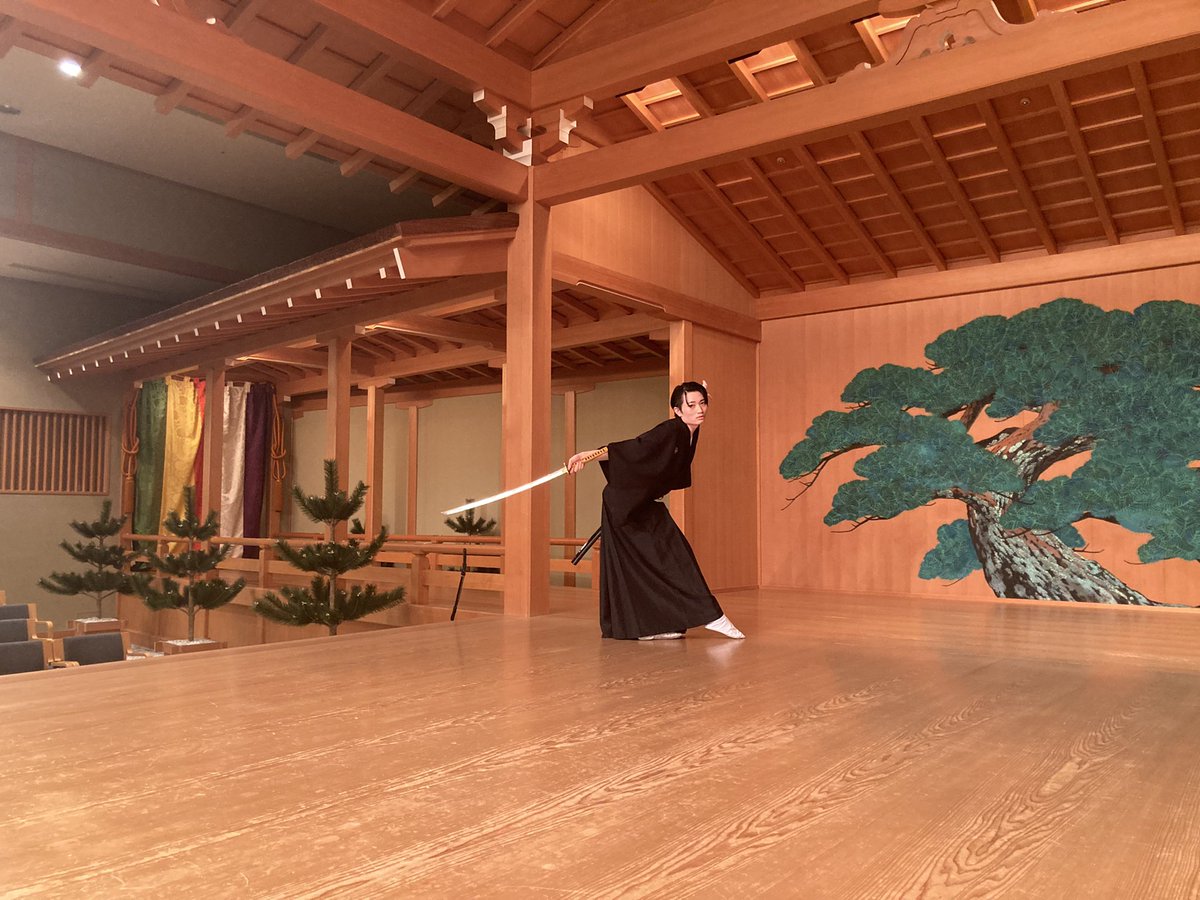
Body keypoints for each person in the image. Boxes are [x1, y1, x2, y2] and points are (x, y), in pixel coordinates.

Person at [567, 381, 745, 641]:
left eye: (703, 403)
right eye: (691, 405)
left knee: (661, 559)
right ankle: (711, 616)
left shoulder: (689, 432)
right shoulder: (671, 430)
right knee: (666, 557)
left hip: (641, 503)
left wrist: (702, 390)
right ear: (678, 410)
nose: (699, 409)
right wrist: (587, 455)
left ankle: (652, 626)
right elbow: (634, 447)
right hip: (625, 506)